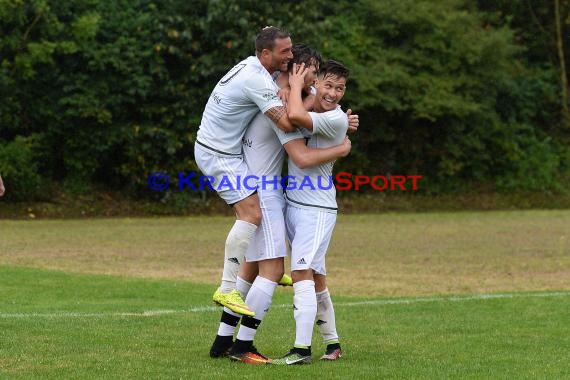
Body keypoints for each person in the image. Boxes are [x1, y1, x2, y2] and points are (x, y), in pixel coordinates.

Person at [209, 44, 354, 363]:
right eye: (312, 73)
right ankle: (243, 345)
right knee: (273, 270)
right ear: (297, 71)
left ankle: (222, 341)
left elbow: (312, 106)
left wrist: (336, 115)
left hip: (264, 188)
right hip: (266, 192)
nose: (317, 83)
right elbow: (301, 152)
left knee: (254, 266)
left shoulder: (275, 93)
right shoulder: (280, 107)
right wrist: (342, 146)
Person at [194, 26, 298, 317]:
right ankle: (226, 289)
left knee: (255, 210)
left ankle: (269, 266)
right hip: (219, 154)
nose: (290, 55)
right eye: (285, 52)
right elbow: (287, 124)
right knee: (251, 212)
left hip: (224, 151)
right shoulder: (256, 79)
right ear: (266, 53)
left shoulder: (256, 67)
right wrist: (325, 120)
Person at [271, 60, 351, 365]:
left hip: (316, 210)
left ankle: (301, 350)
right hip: (296, 205)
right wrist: (300, 87)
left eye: (340, 88)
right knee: (316, 277)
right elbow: (302, 104)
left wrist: (294, 86)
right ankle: (333, 343)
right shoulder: (318, 102)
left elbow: (294, 115)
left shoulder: (336, 119)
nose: (333, 93)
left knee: (301, 272)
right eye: (328, 85)